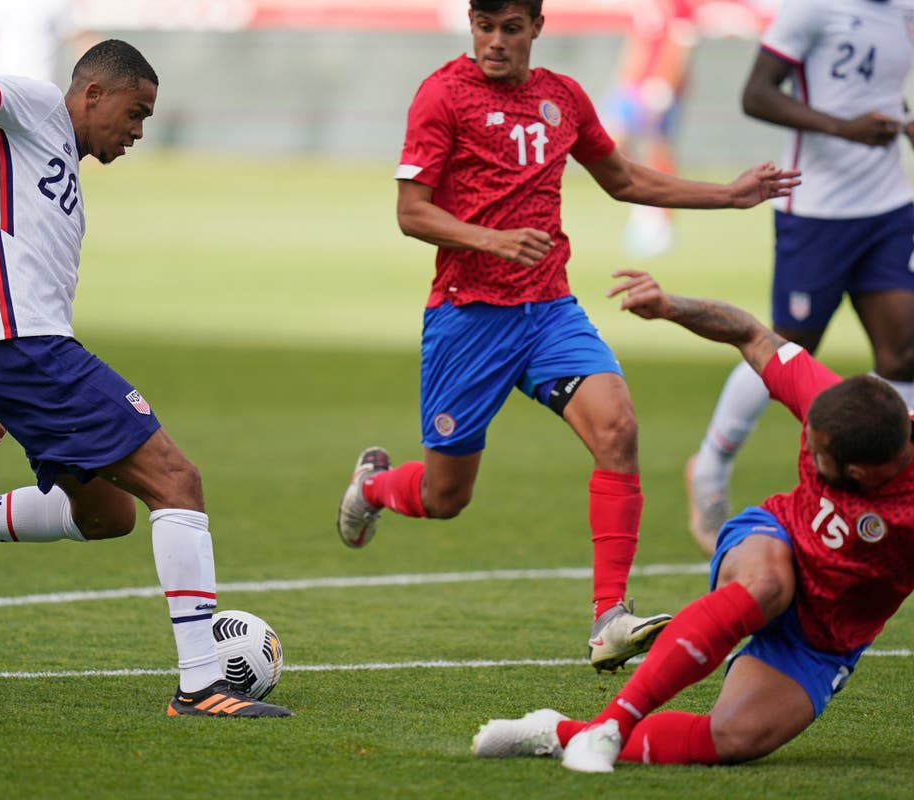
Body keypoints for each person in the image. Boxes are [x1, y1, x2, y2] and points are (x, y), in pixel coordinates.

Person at [335, 0, 800, 673]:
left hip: (550, 310)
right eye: (485, 26)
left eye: (511, 28)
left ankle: (609, 618)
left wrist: (727, 195)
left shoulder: (563, 98)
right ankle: (373, 488)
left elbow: (625, 179)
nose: (496, 41)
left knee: (618, 429)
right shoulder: (441, 95)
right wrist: (490, 238)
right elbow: (412, 212)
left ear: (536, 28)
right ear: (471, 24)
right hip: (469, 319)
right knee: (446, 497)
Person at [0, 41, 291, 718]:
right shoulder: (38, 108)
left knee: (108, 515)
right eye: (137, 111)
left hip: (9, 352)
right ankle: (199, 687)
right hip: (33, 349)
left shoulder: (47, 170)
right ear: (94, 93)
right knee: (177, 481)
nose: (138, 130)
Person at [472, 268, 914, 771]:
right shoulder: (836, 406)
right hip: (774, 542)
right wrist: (669, 305)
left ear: (861, 471)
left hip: (826, 635)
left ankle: (558, 733)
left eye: (818, 454)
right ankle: (614, 723)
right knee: (769, 585)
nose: (806, 451)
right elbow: (750, 333)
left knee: (732, 741)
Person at [685, 0, 914, 555]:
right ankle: (711, 467)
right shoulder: (813, 8)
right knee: (787, 350)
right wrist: (845, 130)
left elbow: (879, 93)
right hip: (816, 209)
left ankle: (890, 488)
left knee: (905, 353)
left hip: (888, 205)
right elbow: (756, 94)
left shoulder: (904, 12)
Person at [602, 0, 697, 259]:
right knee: (613, 142)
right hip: (633, 84)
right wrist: (623, 79)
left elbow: (680, 46)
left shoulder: (680, 6)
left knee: (656, 147)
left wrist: (664, 86)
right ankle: (641, 203)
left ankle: (661, 220)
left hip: (658, 85)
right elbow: (638, 42)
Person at [0, 0, 97, 85]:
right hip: (0, 95)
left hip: (43, 95)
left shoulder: (57, 3)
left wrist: (104, 81)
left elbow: (83, 39)